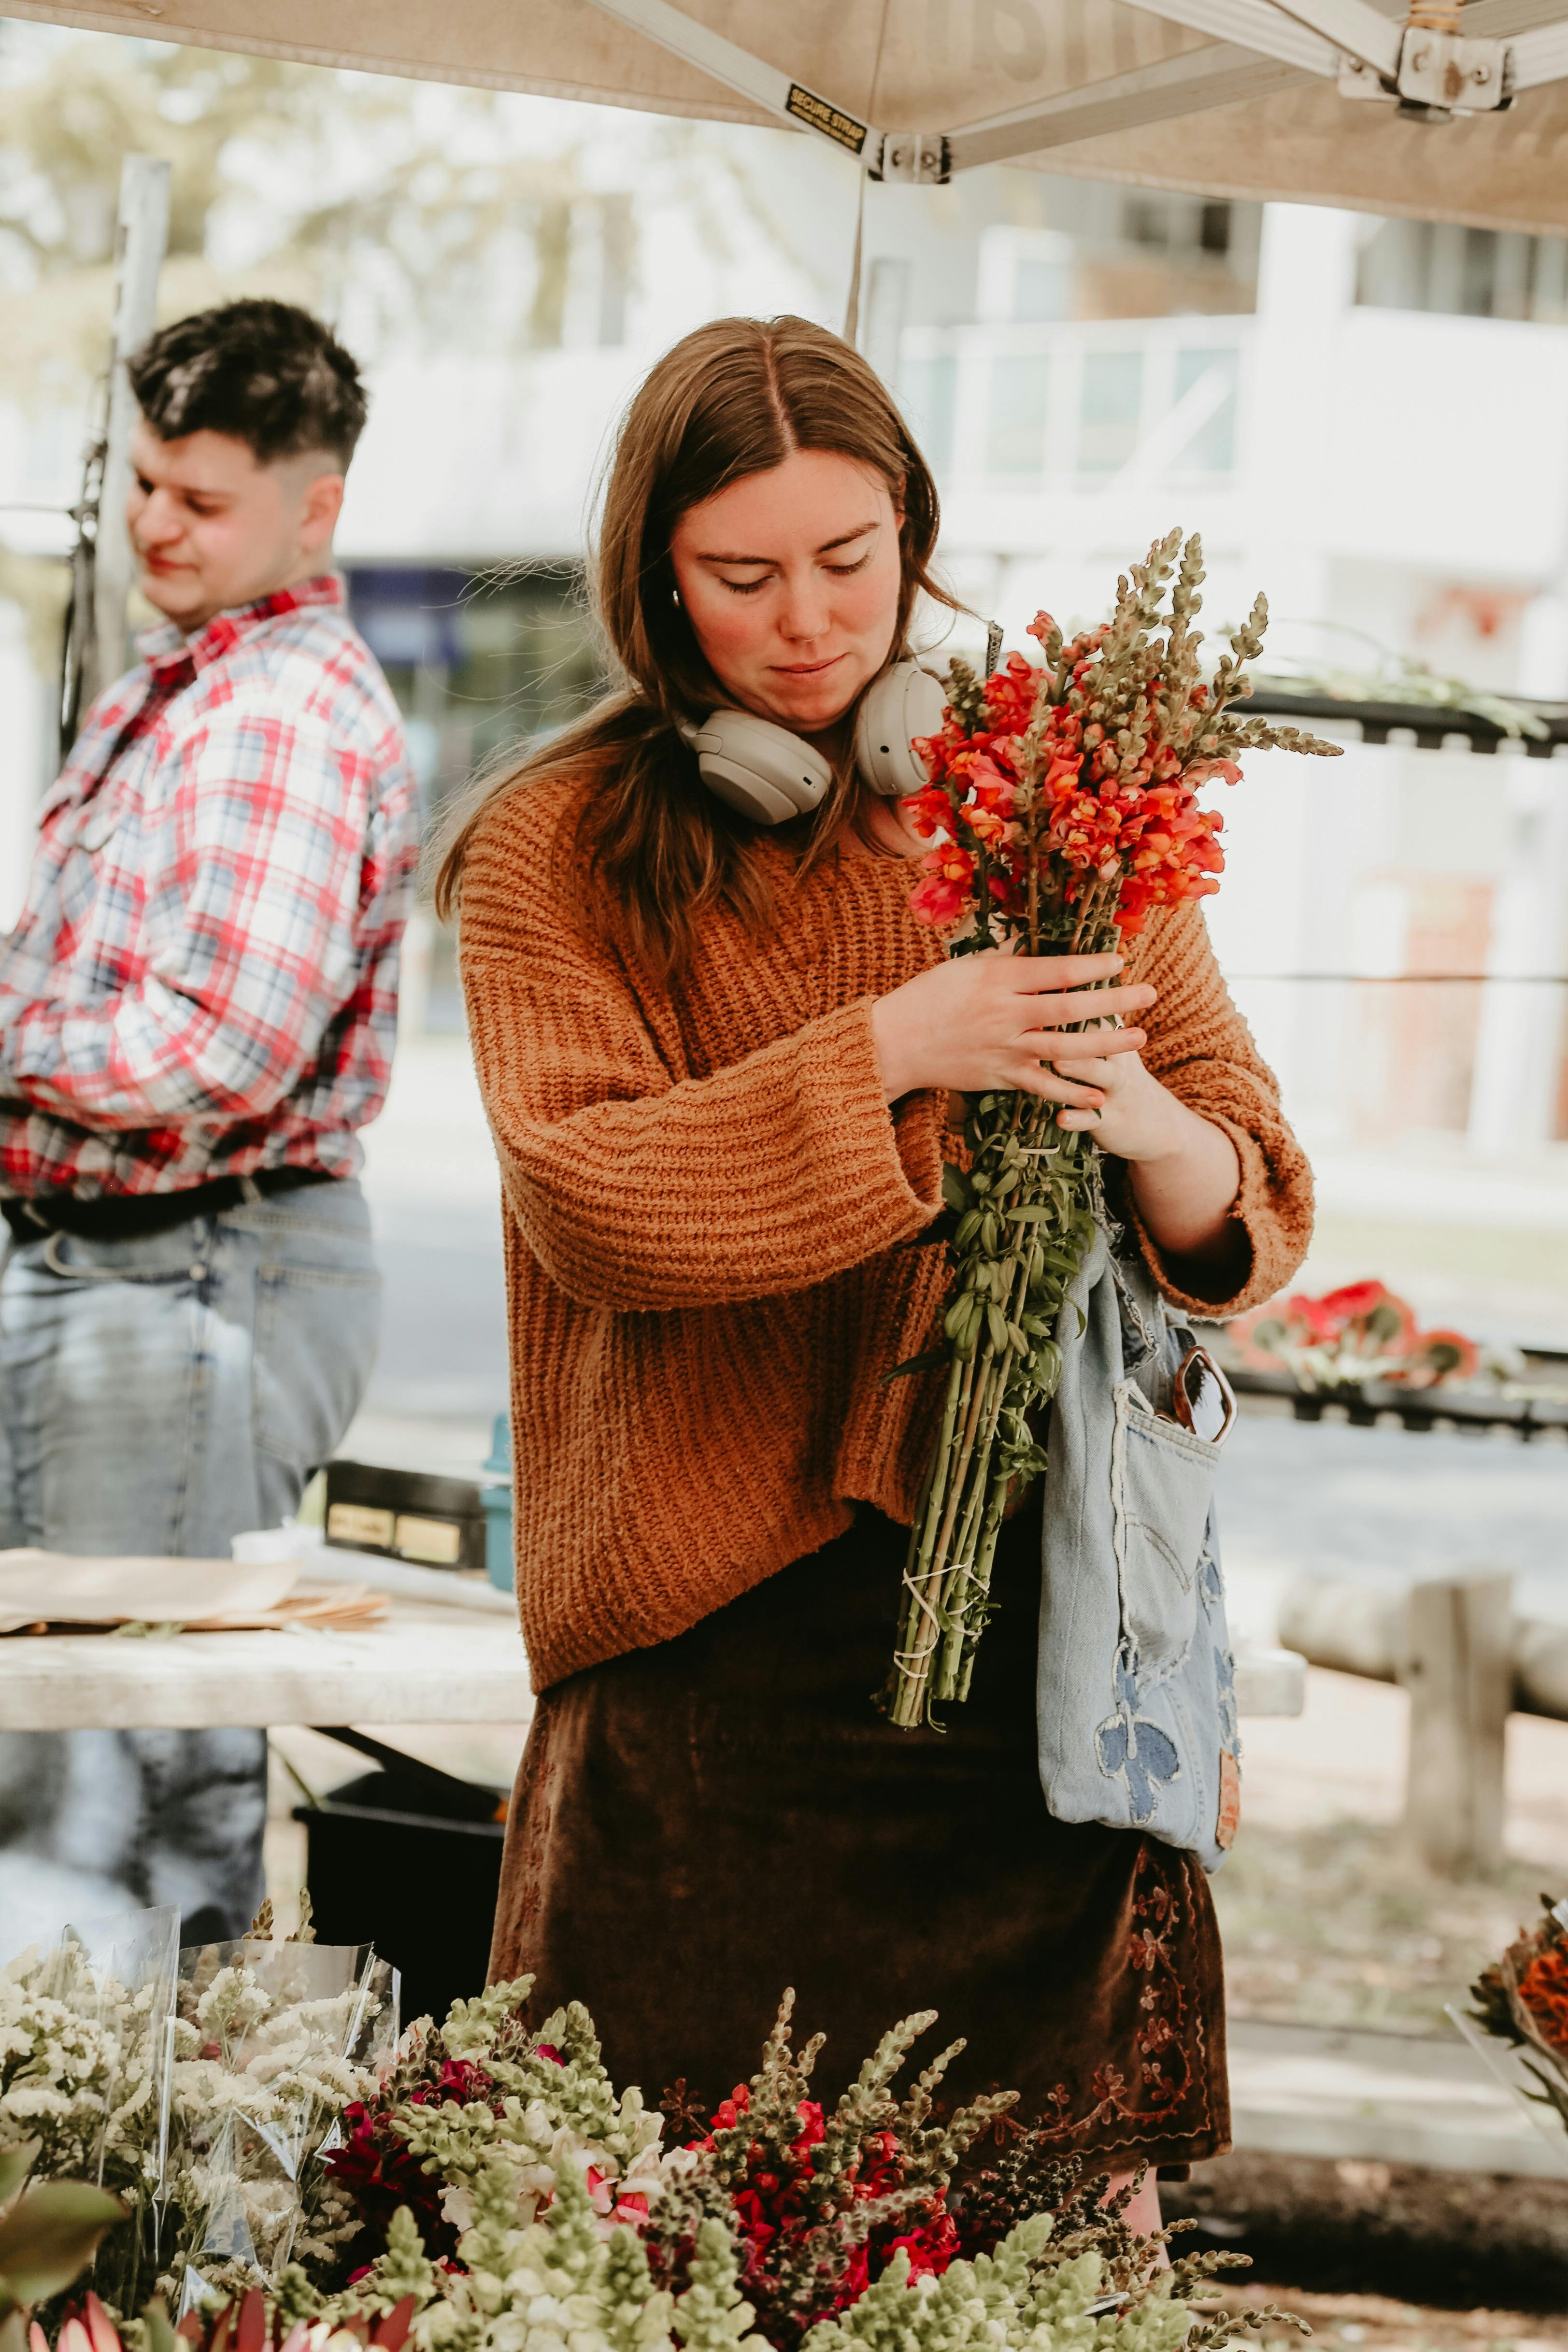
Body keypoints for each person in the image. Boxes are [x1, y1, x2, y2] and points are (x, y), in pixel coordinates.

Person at [442, 315, 1312, 2228]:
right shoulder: (550, 850)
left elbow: (1242, 1191)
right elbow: (595, 1205)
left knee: (1024, 2251)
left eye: (850, 560)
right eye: (740, 575)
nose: (809, 622)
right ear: (651, 576)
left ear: (915, 531)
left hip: (1030, 1655)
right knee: (645, 2249)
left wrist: (1147, 1126)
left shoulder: (1056, 805)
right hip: (701, 1670)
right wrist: (904, 1048)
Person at [0, 298, 418, 1947]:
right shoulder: (192, 684)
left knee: (137, 1773)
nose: (158, 526)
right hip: (135, 1273)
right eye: (147, 485)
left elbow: (219, 1049)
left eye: (204, 499)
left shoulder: (273, 714)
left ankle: (163, 2122)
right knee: (75, 1758)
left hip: (186, 1277)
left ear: (316, 508)